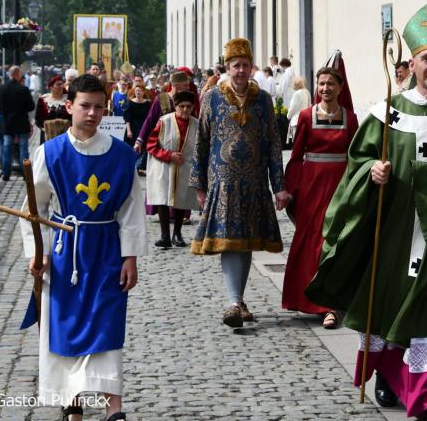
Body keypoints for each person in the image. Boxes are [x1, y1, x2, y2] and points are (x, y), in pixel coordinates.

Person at [306, 3, 427, 421]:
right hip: (392, 232)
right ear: (411, 63)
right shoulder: (385, 113)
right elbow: (357, 164)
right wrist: (370, 172)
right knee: (390, 304)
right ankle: (391, 376)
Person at [21, 73, 146, 421]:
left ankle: (114, 409)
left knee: (107, 323)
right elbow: (35, 207)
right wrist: (39, 251)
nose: (92, 113)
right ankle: (71, 402)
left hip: (106, 250)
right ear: (69, 106)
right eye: (85, 106)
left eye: (98, 107)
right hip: (64, 252)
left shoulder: (121, 156)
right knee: (66, 325)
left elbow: (133, 209)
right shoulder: (50, 152)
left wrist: (130, 257)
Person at [190, 38, 289, 328]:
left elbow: (273, 143)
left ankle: (239, 298)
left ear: (251, 66)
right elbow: (201, 143)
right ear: (228, 67)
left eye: (246, 65)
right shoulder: (212, 98)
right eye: (236, 66)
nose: (241, 71)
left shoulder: (263, 100)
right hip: (223, 182)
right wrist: (199, 185)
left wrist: (278, 184)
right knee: (229, 242)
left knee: (244, 242)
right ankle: (233, 301)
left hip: (254, 181)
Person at [283, 64, 358, 327]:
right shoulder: (305, 116)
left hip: (339, 186)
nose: (325, 88)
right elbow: (295, 158)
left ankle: (331, 305)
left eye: (331, 84)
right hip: (312, 186)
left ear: (340, 87)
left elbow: (356, 156)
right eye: (322, 84)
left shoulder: (350, 118)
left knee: (334, 242)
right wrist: (290, 190)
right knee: (311, 241)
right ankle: (308, 298)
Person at [146, 90, 200, 249]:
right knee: (163, 198)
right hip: (164, 165)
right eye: (181, 106)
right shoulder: (164, 121)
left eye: (188, 107)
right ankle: (165, 235)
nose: (185, 110)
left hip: (185, 165)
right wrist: (168, 155)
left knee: (181, 199)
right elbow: (151, 144)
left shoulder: (196, 124)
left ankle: (177, 233)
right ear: (175, 106)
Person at [0, 66, 35, 181]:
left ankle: (6, 173)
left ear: (9, 75)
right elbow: (31, 106)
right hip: (22, 122)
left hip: (7, 123)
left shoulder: (1, 89)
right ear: (18, 75)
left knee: (6, 147)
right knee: (23, 148)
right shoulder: (23, 89)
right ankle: (25, 173)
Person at [36, 75, 72, 141]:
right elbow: (38, 119)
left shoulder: (68, 99)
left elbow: (73, 117)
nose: (61, 86)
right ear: (51, 87)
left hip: (66, 137)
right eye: (58, 84)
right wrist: (47, 130)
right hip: (48, 137)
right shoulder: (43, 100)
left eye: (62, 84)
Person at [286, 76, 312, 143]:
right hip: (306, 119)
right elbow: (309, 105)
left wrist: (288, 116)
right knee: (305, 140)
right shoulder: (307, 92)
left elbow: (293, 108)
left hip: (297, 120)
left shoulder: (296, 94)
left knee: (297, 141)